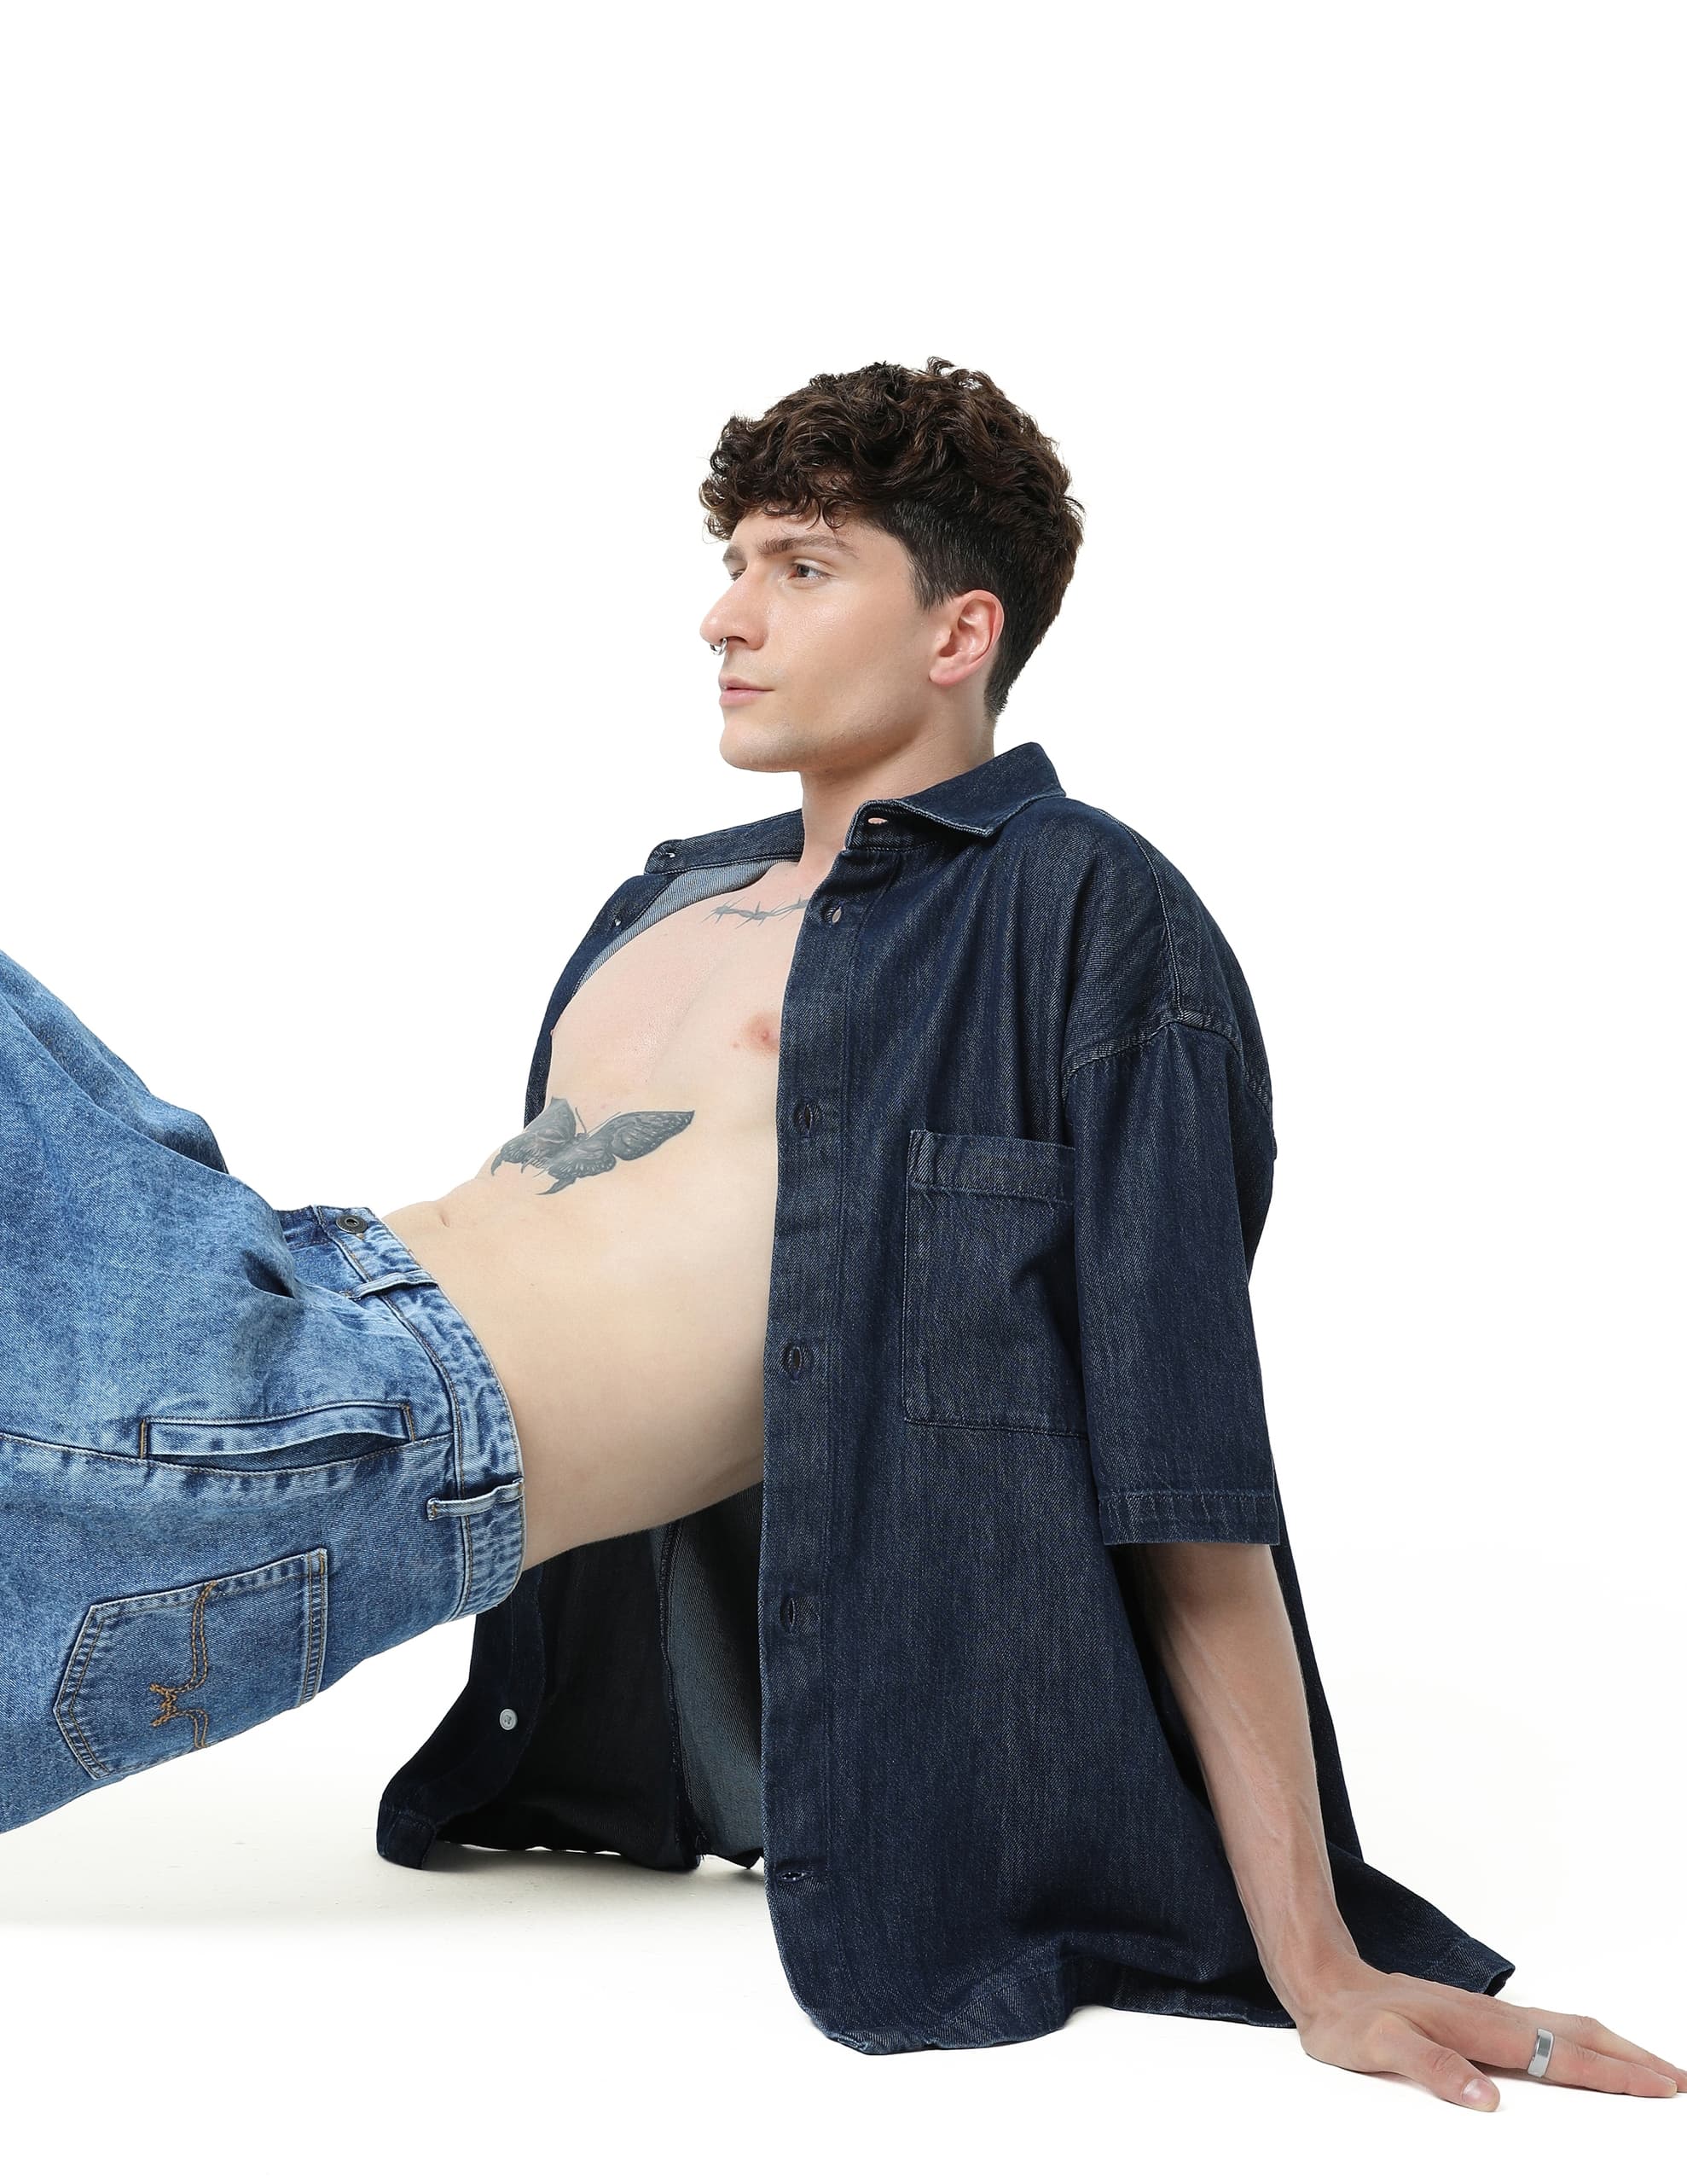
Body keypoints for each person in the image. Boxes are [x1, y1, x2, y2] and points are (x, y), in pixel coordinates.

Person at [3, 359, 1678, 2106]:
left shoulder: (1070, 908)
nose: (724, 612)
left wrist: (1314, 1957)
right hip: (264, 1306)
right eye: (734, 558)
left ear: (958, 632)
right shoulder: (662, 898)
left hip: (363, 1432)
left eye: (800, 566)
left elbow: (1175, 1466)